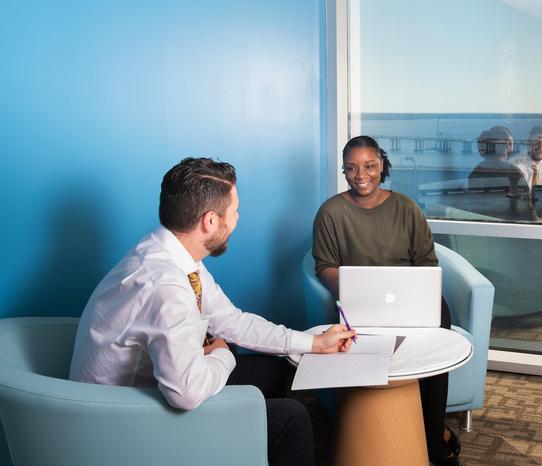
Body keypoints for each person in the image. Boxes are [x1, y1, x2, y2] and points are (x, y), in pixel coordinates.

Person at [69, 157, 356, 466]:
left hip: (146, 388)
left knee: (272, 369)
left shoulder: (172, 256)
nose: (237, 219)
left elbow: (231, 321)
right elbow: (186, 394)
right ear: (210, 221)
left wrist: (312, 343)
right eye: (234, 212)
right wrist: (224, 354)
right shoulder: (166, 286)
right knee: (291, 418)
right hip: (124, 421)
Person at [312, 136, 462, 466]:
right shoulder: (331, 213)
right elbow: (325, 267)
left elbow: (427, 262)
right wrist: (355, 287)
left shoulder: (406, 208)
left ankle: (432, 433)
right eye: (351, 168)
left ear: (382, 165)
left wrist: (407, 288)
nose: (360, 175)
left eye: (369, 166)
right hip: (358, 302)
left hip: (407, 296)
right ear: (344, 171)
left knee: (441, 313)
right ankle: (382, 428)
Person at [469, 125, 528, 196]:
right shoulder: (513, 172)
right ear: (508, 144)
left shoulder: (476, 171)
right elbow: (523, 198)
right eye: (511, 142)